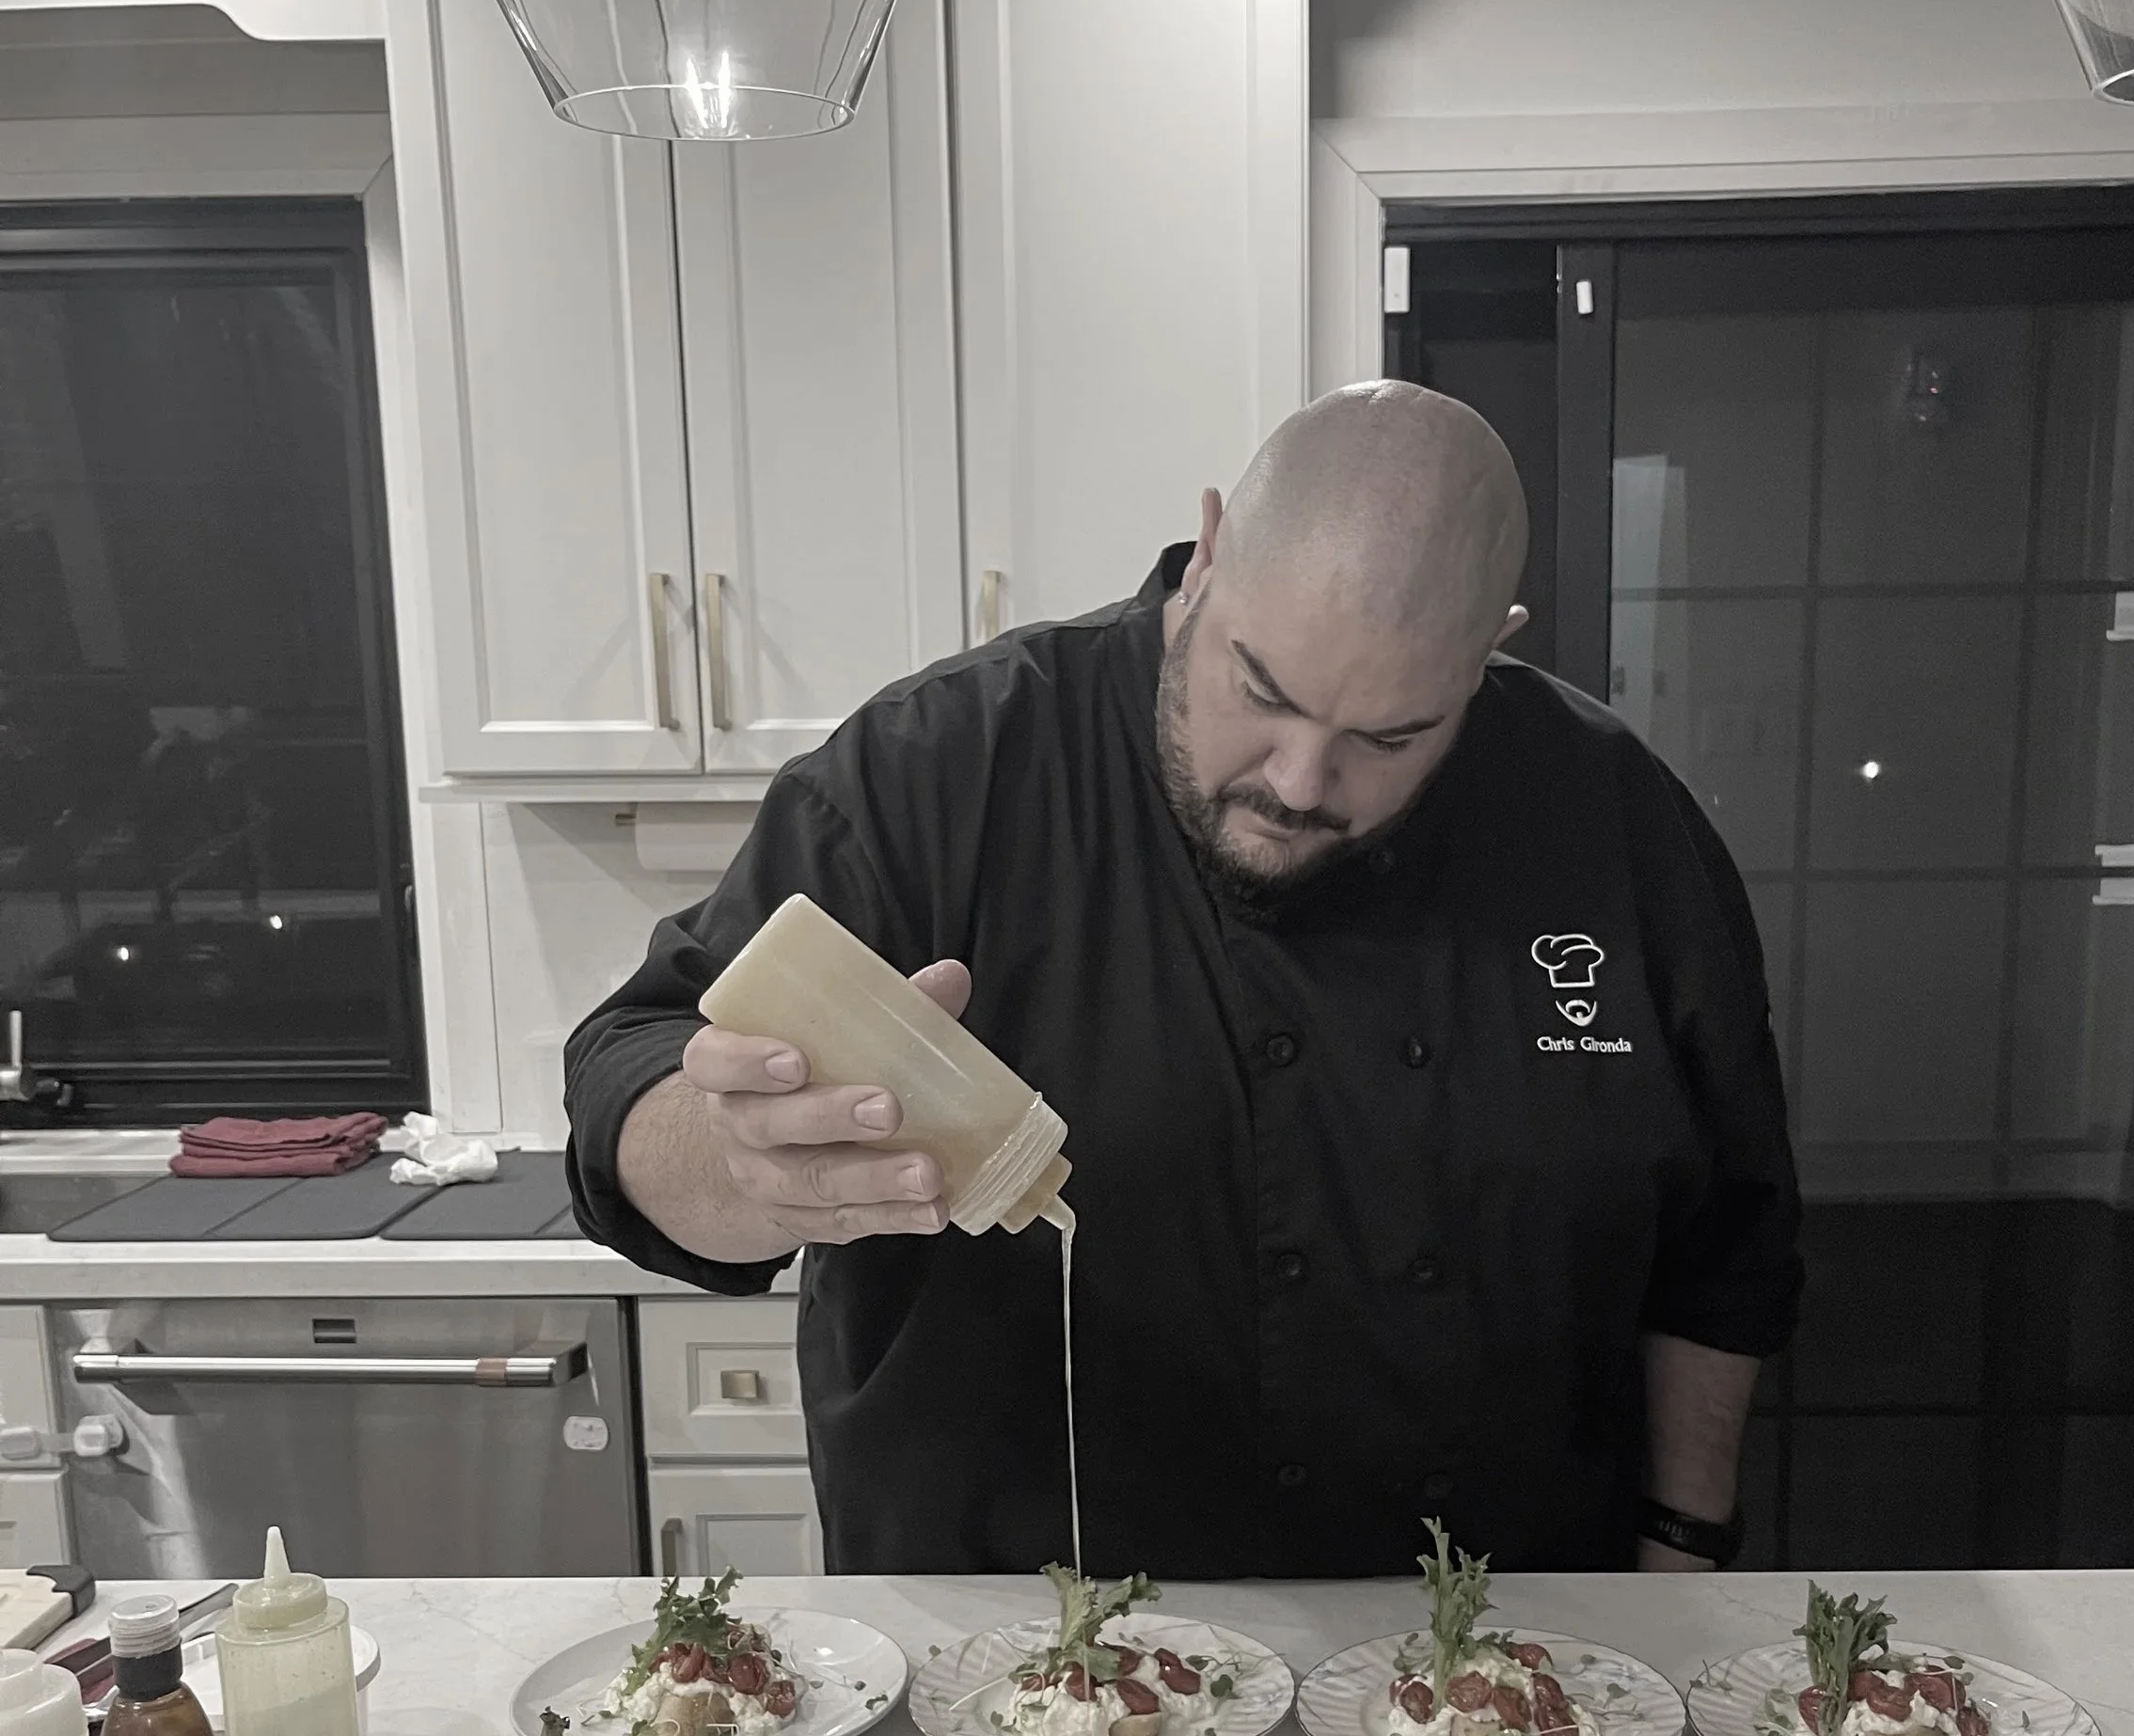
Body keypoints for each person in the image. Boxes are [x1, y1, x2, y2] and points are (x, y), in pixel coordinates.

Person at [566, 382, 1800, 1578]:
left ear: (1493, 650)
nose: (1304, 783)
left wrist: (1680, 1552)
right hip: (1023, 1677)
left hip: (1489, 1669)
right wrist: (736, 1165)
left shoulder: (1613, 821)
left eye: (1391, 738)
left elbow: (1723, 1249)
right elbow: (629, 1071)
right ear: (1208, 553)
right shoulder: (940, 773)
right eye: (1263, 692)